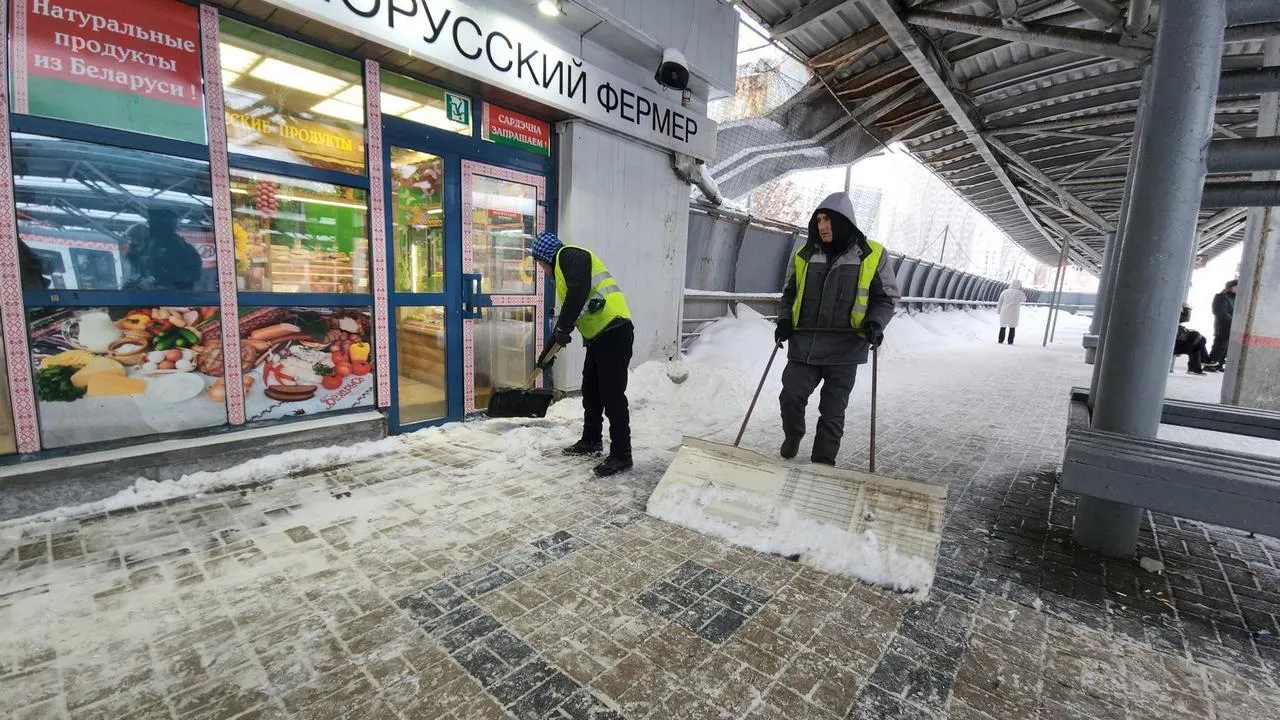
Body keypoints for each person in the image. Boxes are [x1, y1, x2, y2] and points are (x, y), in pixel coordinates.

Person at [775, 192, 900, 466]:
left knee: (832, 411)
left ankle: (822, 462)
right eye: (818, 220)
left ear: (843, 221)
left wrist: (875, 323)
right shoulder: (805, 254)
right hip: (805, 345)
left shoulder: (872, 254)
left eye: (827, 220)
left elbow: (886, 298)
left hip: (845, 348)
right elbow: (789, 293)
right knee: (790, 396)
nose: (822, 226)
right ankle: (793, 435)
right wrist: (784, 320)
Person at [531, 231, 635, 478]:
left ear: (544, 258)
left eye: (539, 263)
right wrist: (547, 354)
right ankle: (591, 440)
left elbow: (578, 292)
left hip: (615, 330)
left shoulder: (570, 255)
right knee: (591, 391)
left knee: (612, 396)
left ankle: (622, 454)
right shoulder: (563, 269)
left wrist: (563, 329)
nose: (542, 269)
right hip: (599, 336)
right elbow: (571, 309)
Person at [123, 209, 202, 291]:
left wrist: (159, 286)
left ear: (165, 226)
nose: (149, 226)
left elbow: (191, 276)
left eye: (152, 223)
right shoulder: (150, 245)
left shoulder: (180, 248)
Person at [1174, 304, 1212, 375]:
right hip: (1173, 340)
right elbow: (1184, 318)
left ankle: (1196, 367)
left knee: (1196, 342)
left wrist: (1186, 308)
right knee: (1196, 340)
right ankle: (1203, 360)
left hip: (1176, 338)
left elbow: (1183, 318)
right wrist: (1186, 308)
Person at [1208, 279, 1237, 371]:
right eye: (1236, 286)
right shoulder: (1221, 297)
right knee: (1220, 345)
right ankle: (1210, 364)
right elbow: (1220, 312)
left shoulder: (1236, 298)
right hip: (1223, 325)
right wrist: (1235, 320)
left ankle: (1219, 364)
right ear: (1231, 287)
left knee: (1226, 346)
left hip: (1232, 325)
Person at [995, 279, 1026, 345]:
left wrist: (998, 310)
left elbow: (1000, 302)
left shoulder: (1004, 292)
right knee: (1012, 327)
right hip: (1014, 312)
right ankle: (1010, 341)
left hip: (1005, 311)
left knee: (1003, 326)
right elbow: (1024, 299)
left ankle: (1000, 340)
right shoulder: (1020, 293)